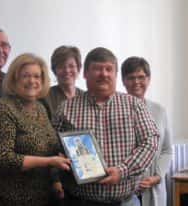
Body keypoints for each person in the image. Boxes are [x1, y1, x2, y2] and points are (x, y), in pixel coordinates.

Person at [53, 47, 159, 206]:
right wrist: (59, 157)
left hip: (126, 202)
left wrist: (123, 170)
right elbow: (52, 146)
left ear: (116, 75)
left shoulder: (133, 105)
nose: (104, 74)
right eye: (97, 68)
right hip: (80, 201)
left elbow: (150, 141)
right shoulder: (66, 109)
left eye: (109, 69)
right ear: (85, 73)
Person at [0, 53, 71, 206]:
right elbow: (2, 159)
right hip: (8, 198)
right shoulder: (3, 109)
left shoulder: (40, 109)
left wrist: (55, 181)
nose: (32, 81)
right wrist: (49, 161)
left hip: (41, 197)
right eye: (25, 76)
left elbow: (49, 148)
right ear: (14, 79)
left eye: (37, 76)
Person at [121, 56, 172, 206]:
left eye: (141, 77)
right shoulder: (115, 110)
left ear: (148, 79)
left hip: (154, 190)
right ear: (123, 81)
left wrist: (157, 177)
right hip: (126, 191)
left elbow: (167, 150)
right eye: (131, 77)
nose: (136, 82)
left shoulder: (160, 111)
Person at [43, 45, 84, 118]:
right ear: (54, 70)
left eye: (71, 66)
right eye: (61, 66)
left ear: (78, 68)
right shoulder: (45, 97)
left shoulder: (87, 97)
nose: (67, 70)